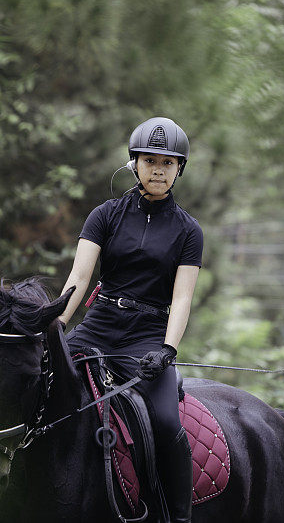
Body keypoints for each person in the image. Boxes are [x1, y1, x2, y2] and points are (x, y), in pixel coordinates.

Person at [58, 116, 202, 523]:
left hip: (147, 335)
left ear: (179, 169)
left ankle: (177, 517)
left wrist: (168, 350)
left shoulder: (189, 231)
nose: (158, 169)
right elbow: (80, 278)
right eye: (150, 160)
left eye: (168, 163)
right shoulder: (104, 215)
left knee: (164, 420)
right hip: (98, 325)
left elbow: (183, 296)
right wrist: (56, 328)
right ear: (134, 163)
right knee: (41, 381)